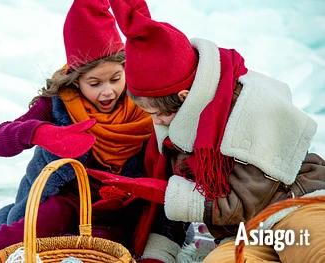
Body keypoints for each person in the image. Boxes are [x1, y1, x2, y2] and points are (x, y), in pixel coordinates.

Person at [87, 0, 325, 262]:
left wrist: (166, 192)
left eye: (156, 114)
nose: (155, 123)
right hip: (241, 234)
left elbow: (245, 203)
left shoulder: (249, 106)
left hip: (294, 207)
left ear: (184, 97)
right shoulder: (175, 129)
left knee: (315, 251)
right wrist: (156, 256)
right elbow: (171, 214)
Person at [0, 1, 189, 262]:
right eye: (95, 83)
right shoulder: (60, 103)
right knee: (14, 240)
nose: (107, 91)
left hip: (120, 213)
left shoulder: (147, 102)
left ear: (127, 70)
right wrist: (40, 132)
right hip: (68, 201)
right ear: (76, 80)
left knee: (95, 253)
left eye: (115, 79)